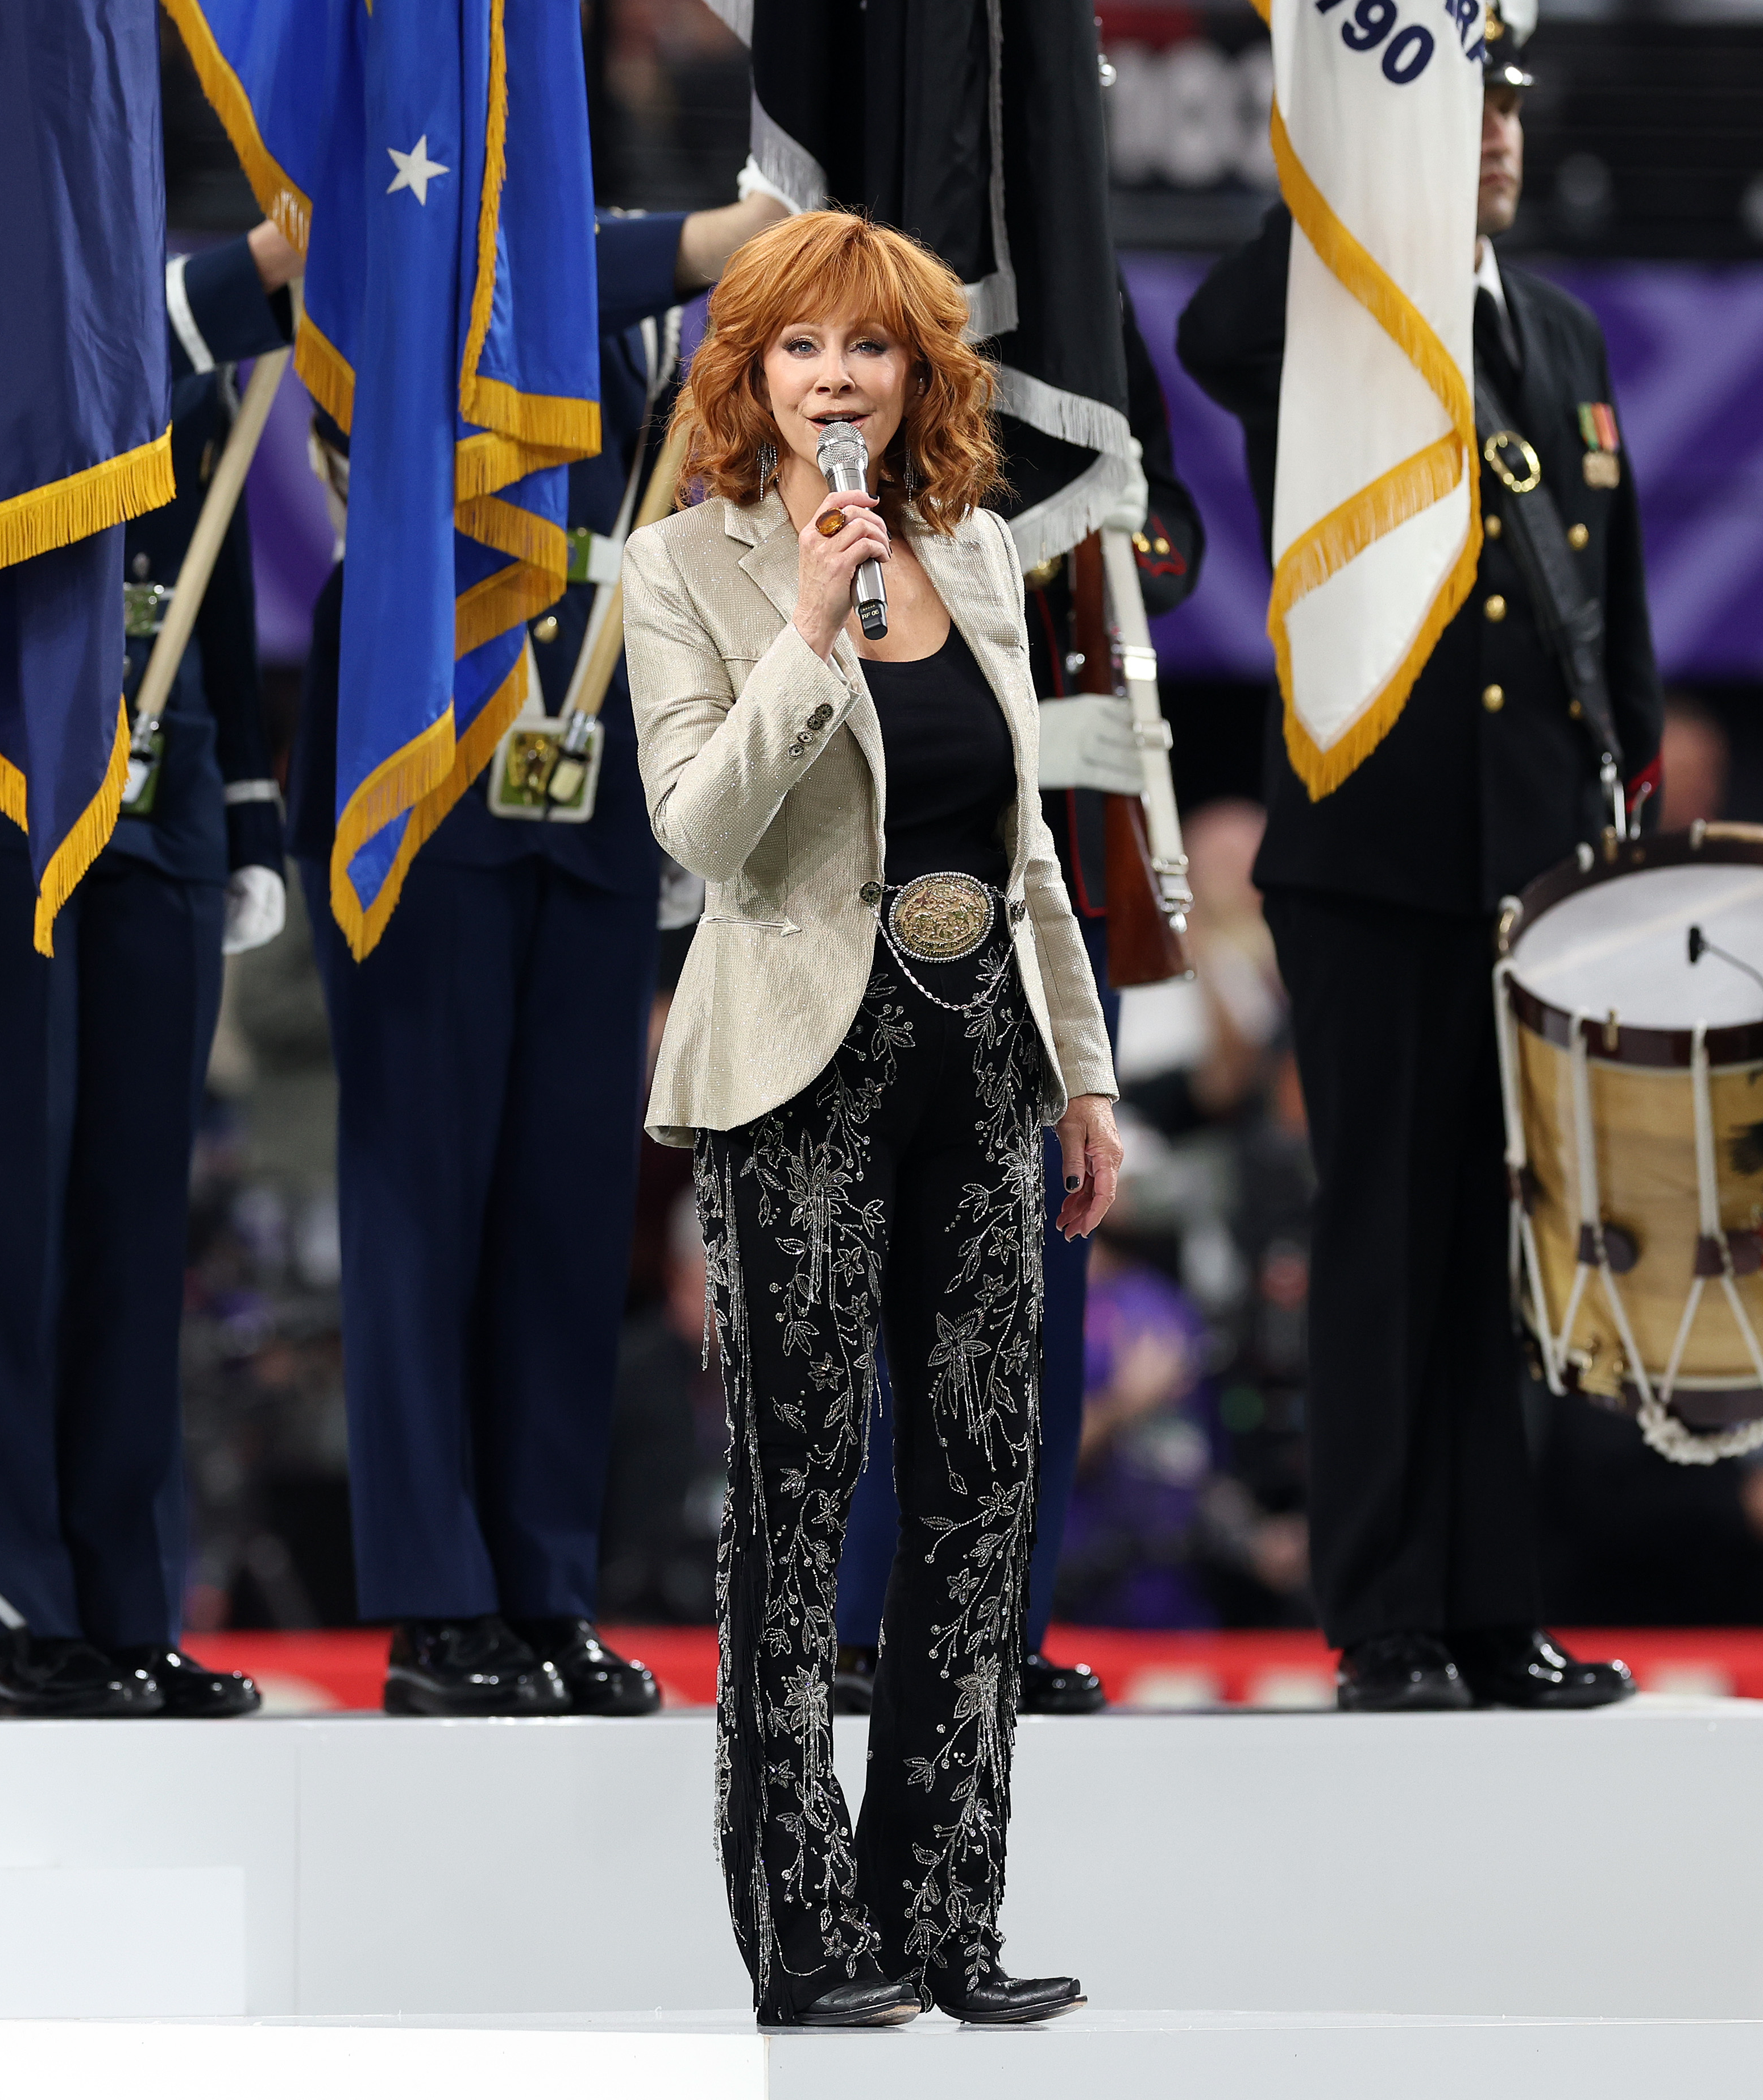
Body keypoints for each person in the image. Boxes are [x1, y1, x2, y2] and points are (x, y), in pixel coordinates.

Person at [624, 210, 1121, 2028]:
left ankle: (943, 1913)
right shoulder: (680, 567)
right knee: (795, 1489)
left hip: (978, 1050)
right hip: (795, 1067)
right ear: (747, 375)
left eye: (873, 348)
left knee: (983, 1484)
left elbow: (1027, 843)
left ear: (921, 376)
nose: (836, 377)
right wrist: (814, 631)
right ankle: (804, 1928)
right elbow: (697, 829)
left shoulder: (978, 549)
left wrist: (1082, 1069)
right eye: (800, 347)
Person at [1175, 22, 1653, 1712]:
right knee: (1382, 1233)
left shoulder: (1562, 332)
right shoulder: (1318, 310)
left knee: (1501, 1251)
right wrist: (1337, 183)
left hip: (1525, 861)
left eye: (1509, 104)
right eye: (1465, 103)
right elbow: (1204, 331)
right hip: (1370, 844)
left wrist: (1624, 816)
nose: (1497, 133)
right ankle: (1381, 1611)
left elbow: (1607, 610)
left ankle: (1487, 1605)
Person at [289, 191, 786, 1717]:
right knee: (421, 1198)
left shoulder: (663, 275)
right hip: (426, 751)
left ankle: (542, 1587)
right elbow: (418, 294)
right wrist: (710, 241)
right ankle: (439, 1603)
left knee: (570, 1219)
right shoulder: (434, 198)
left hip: (595, 780)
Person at [0, 226, 296, 1717]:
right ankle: (22, 1608)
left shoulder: (158, 276)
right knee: (6, 1207)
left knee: (137, 1223)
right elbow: (0, 375)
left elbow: (212, 555)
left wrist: (248, 811)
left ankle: (122, 1602)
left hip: (162, 797)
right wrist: (249, 270)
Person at [831, 287, 1208, 1721]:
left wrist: (1095, 562)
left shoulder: (1077, 290)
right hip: (888, 843)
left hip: (1050, 840)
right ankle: (864, 1615)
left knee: (1033, 1263)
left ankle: (999, 1617)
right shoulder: (840, 308)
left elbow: (1163, 516)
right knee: (875, 1260)